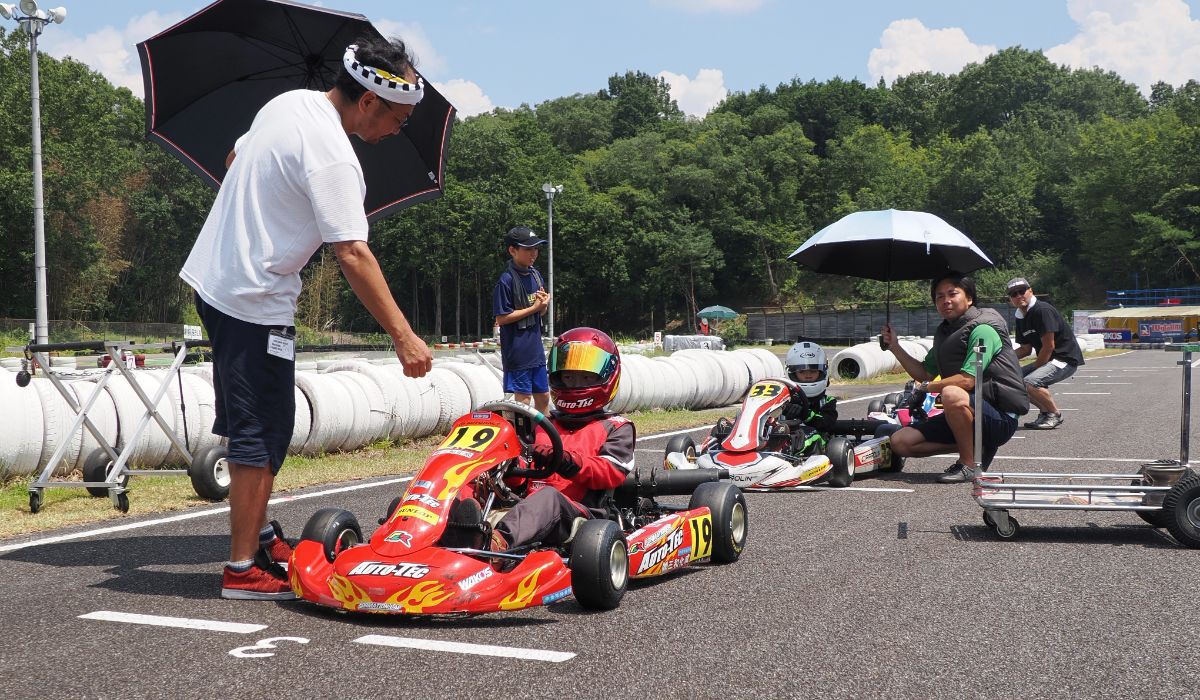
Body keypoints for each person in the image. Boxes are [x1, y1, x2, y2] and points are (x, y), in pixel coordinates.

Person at [181, 38, 433, 600]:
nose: (398, 130)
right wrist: (404, 336)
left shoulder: (289, 103)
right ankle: (243, 569)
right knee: (262, 431)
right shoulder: (336, 157)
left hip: (217, 281)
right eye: (399, 118)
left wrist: (268, 207)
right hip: (253, 298)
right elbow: (353, 253)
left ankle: (259, 536)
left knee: (258, 422)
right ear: (368, 101)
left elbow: (234, 161)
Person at [490, 327, 634, 558]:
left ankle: (496, 546)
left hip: (582, 516)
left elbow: (610, 472)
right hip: (526, 509)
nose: (575, 384)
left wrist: (564, 460)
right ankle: (444, 535)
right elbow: (520, 477)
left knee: (548, 497)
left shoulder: (616, 427)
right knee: (471, 486)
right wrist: (506, 466)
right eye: (568, 377)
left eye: (586, 377)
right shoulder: (541, 424)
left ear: (607, 376)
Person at [880, 272, 1029, 483]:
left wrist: (926, 388)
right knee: (900, 442)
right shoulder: (945, 333)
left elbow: (968, 380)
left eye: (952, 294)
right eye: (939, 296)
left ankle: (968, 464)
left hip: (999, 416)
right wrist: (894, 346)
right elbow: (924, 373)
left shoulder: (984, 329)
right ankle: (977, 447)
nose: (946, 300)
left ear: (969, 298)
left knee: (951, 393)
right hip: (966, 412)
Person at [1007, 277, 1084, 430]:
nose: (1019, 296)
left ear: (1030, 291)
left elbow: (1049, 346)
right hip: (1048, 360)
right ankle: (1045, 413)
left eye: (1022, 291)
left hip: (1064, 359)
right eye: (1014, 294)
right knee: (1014, 382)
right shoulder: (1020, 316)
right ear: (1010, 299)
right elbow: (1025, 349)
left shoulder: (1042, 310)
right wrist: (1002, 359)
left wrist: (1035, 367)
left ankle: (1055, 414)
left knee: (1030, 382)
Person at [493, 226, 552, 413]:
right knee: (523, 400)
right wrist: (534, 308)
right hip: (517, 351)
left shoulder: (536, 275)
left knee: (544, 397)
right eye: (528, 249)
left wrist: (543, 306)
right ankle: (521, 432)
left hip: (535, 348)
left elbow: (539, 313)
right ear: (512, 250)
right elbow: (502, 318)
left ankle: (542, 432)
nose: (533, 253)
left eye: (536, 248)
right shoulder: (506, 280)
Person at [780, 340, 838, 448]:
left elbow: (827, 424)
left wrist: (805, 414)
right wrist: (783, 409)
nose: (808, 375)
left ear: (822, 372)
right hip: (784, 435)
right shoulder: (785, 400)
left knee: (809, 434)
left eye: (813, 371)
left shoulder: (827, 401)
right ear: (792, 373)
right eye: (802, 371)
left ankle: (789, 448)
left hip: (819, 443)